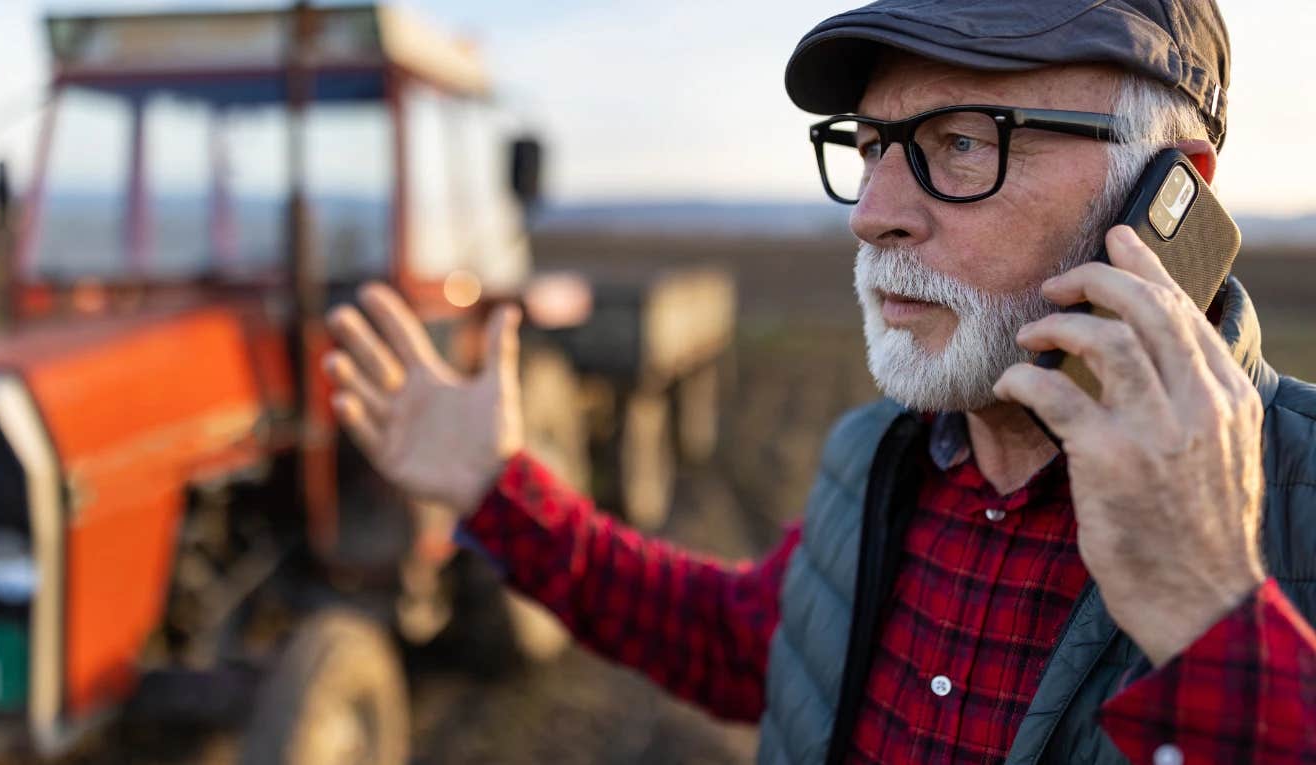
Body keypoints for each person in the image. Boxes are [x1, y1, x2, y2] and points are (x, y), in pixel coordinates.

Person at [322, 1, 1316, 762]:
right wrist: (497, 492)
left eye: (962, 141)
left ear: (1171, 188)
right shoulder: (875, 458)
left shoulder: (1300, 507)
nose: (872, 212)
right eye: (872, 146)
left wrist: (1207, 615)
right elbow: (752, 648)